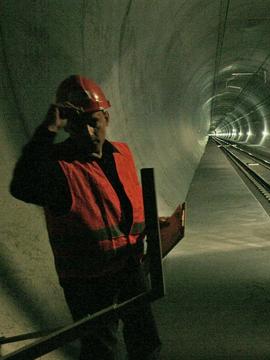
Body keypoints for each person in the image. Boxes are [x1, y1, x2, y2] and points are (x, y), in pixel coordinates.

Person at [10, 75, 161, 359]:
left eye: (95, 123)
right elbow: (21, 186)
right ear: (69, 127)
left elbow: (125, 203)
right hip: (87, 281)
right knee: (101, 351)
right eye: (79, 126)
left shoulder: (122, 154)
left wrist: (151, 226)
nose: (89, 133)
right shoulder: (59, 167)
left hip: (129, 266)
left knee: (145, 340)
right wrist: (48, 129)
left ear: (106, 117)